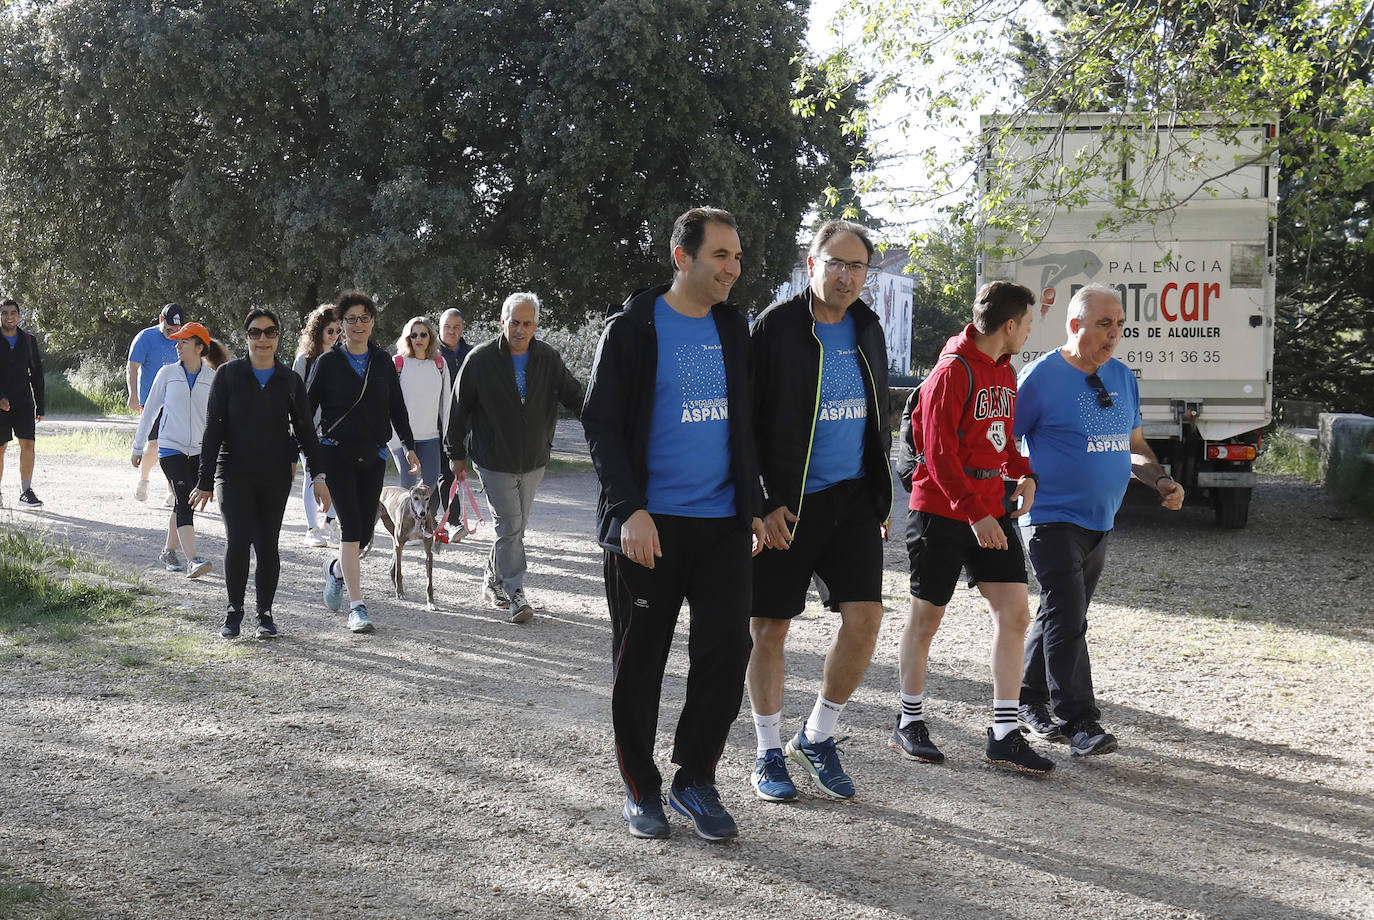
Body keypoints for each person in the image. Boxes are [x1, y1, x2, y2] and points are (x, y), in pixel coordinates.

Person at [583, 207, 765, 842]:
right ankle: (640, 786)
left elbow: (750, 425)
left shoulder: (736, 329)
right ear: (681, 257)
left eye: (737, 257)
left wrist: (759, 501)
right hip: (649, 528)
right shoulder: (632, 328)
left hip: (721, 526)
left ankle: (695, 777)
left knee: (726, 649)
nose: (733, 268)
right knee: (641, 663)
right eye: (720, 255)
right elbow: (601, 425)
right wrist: (628, 509)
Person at [744, 220, 893, 803]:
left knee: (866, 620)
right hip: (790, 504)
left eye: (857, 267)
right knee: (769, 628)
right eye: (836, 263)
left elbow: (881, 419)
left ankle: (818, 735)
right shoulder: (777, 328)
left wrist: (879, 498)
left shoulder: (868, 328)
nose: (846, 276)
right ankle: (767, 751)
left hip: (853, 500)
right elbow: (745, 425)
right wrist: (762, 503)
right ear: (812, 263)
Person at [1014, 282, 1185, 756]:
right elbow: (1004, 442)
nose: (1114, 335)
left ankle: (1027, 701)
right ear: (1075, 326)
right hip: (1048, 517)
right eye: (1104, 324)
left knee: (1059, 612)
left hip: (1099, 519)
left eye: (1120, 325)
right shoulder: (1041, 377)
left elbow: (1133, 449)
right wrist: (1013, 486)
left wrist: (1161, 481)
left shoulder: (1123, 377)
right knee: (1068, 614)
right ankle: (1079, 721)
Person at [891, 281, 1051, 773]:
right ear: (1009, 325)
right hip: (941, 511)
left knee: (1015, 612)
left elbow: (1000, 441)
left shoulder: (1005, 373)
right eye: (1026, 323)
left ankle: (1004, 732)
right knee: (927, 618)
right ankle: (908, 720)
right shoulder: (951, 371)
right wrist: (975, 512)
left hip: (989, 508)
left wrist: (1023, 472)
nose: (1028, 332)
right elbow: (937, 456)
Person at [192, 309, 330, 639]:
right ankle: (233, 611)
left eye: (269, 332)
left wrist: (320, 477)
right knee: (238, 541)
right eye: (255, 333)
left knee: (267, 545)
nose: (263, 339)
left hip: (274, 473)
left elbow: (305, 432)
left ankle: (264, 614)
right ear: (246, 338)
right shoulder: (227, 375)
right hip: (233, 471)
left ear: (278, 336)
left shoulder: (289, 380)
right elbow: (213, 430)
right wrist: (204, 480)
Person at [444, 294, 582, 623]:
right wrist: (456, 454)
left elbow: (574, 395)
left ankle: (492, 579)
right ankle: (516, 592)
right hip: (493, 459)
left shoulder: (548, 358)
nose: (520, 330)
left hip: (533, 458)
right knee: (510, 526)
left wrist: (604, 424)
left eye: (527, 323)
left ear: (536, 325)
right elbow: (458, 408)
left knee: (515, 530)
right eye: (514, 322)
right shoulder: (480, 359)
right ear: (502, 322)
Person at [307, 291, 419, 634]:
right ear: (341, 325)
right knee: (352, 529)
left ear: (373, 322)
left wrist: (410, 446)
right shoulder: (327, 363)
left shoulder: (383, 361)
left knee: (365, 534)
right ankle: (358, 607)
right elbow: (306, 411)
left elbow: (396, 406)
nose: (358, 324)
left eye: (364, 318)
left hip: (374, 456)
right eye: (351, 319)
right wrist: (312, 465)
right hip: (336, 453)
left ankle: (337, 571)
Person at [132, 321, 216, 578]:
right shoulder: (167, 374)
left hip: (199, 450)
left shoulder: (213, 379)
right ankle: (193, 560)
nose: (177, 345)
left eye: (184, 342)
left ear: (200, 347)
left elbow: (219, 419)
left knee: (184, 502)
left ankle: (168, 551)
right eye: (177, 341)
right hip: (170, 448)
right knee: (183, 497)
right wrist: (138, 446)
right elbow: (149, 412)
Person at [293, 305, 341, 546]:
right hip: (308, 430)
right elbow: (293, 396)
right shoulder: (305, 360)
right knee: (313, 476)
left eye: (338, 331)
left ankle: (330, 523)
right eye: (330, 330)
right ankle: (312, 529)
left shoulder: (342, 359)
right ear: (318, 331)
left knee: (337, 477)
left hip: (335, 430)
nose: (334, 336)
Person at [127, 303, 185, 501]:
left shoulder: (184, 340)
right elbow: (132, 367)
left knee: (174, 446)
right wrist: (133, 395)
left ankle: (171, 490)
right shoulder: (146, 338)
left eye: (177, 329)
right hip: (151, 400)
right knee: (154, 445)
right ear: (161, 320)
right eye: (170, 328)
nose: (173, 333)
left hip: (176, 401)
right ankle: (144, 479)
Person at [391, 315, 451, 495]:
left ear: (430, 337)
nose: (418, 339)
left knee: (431, 483)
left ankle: (419, 520)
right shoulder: (398, 363)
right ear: (407, 338)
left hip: (430, 435)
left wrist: (448, 433)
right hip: (402, 437)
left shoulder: (439, 364)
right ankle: (404, 522)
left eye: (423, 334)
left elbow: (446, 401)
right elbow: (388, 401)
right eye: (413, 335)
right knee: (407, 485)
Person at [0, 298, 45, 508]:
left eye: (13, 313)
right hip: (0, 404)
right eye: (4, 313)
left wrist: (40, 404)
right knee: (0, 448)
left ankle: (26, 491)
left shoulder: (28, 340)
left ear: (19, 315)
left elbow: (37, 374)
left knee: (28, 444)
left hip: (24, 402)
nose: (9, 317)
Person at [437, 307, 473, 520]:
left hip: (468, 423)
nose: (451, 331)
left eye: (456, 327)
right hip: (439, 424)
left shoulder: (472, 353)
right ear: (440, 328)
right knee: (445, 473)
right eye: (447, 327)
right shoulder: (431, 354)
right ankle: (453, 521)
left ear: (462, 329)